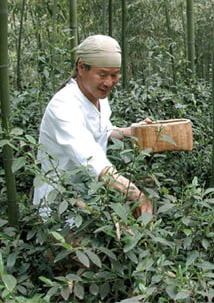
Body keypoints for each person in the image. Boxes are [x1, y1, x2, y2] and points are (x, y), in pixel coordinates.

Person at [33, 34, 153, 221]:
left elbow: (103, 131)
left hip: (91, 200)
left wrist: (133, 131)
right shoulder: (64, 105)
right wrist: (134, 193)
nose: (109, 82)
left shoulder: (98, 99)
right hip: (59, 204)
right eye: (102, 74)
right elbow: (91, 158)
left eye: (115, 75)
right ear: (81, 67)